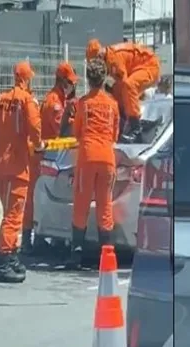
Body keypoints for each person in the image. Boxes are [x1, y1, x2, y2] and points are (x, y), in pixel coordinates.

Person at [0, 60, 41, 283]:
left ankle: (11, 256)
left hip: (0, 163)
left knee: (10, 213)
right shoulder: (27, 100)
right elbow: (35, 127)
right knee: (13, 216)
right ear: (27, 79)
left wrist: (1, 140)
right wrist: (37, 144)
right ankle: (4, 262)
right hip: (17, 165)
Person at [21, 61, 79, 255]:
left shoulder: (61, 99)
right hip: (41, 156)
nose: (73, 86)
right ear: (62, 82)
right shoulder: (54, 101)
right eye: (70, 82)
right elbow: (60, 130)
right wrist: (74, 120)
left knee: (47, 197)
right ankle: (27, 240)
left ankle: (43, 238)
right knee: (35, 197)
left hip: (52, 156)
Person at [70, 58, 120, 267]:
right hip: (107, 158)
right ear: (104, 78)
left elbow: (77, 132)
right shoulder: (113, 104)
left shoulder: (83, 103)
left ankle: (76, 253)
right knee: (105, 205)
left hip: (88, 156)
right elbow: (115, 134)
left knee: (81, 204)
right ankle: (107, 254)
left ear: (88, 79)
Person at [85, 38, 160, 141]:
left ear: (100, 56)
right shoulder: (109, 59)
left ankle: (135, 128)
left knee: (129, 85)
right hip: (138, 69)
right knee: (117, 90)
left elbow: (125, 85)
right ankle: (127, 122)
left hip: (150, 66)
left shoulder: (114, 60)